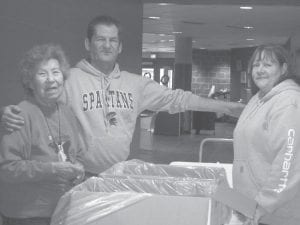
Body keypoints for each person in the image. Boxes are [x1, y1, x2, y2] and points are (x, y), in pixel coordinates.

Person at [1, 15, 244, 175]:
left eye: (112, 40)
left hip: (118, 174)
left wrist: (224, 108)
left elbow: (178, 98)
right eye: (100, 40)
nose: (107, 45)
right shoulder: (70, 79)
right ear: (88, 44)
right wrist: (9, 113)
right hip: (78, 176)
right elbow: (38, 103)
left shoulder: (135, 84)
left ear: (119, 47)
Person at [0, 44, 85, 225]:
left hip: (62, 210)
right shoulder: (19, 115)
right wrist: (54, 169)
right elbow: (7, 169)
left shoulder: (67, 112)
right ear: (30, 82)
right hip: (28, 215)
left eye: (55, 72)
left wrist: (77, 168)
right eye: (42, 74)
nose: (51, 80)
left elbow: (74, 155)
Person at [232, 44, 300, 225]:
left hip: (273, 214)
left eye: (268, 65)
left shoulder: (289, 102)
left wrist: (261, 206)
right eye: (256, 65)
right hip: (249, 207)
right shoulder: (258, 98)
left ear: (284, 69)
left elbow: (289, 162)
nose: (260, 70)